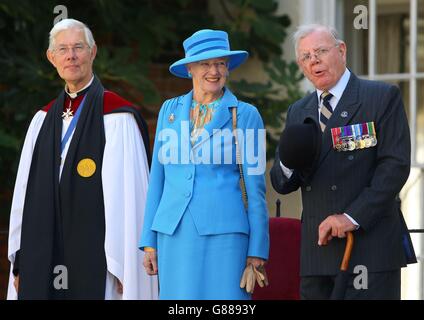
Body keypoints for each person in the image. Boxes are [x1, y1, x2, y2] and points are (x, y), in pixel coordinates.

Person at [7, 18, 158, 300]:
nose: (71, 56)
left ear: (93, 52)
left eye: (78, 47)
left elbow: (129, 201)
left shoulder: (117, 118)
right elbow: (24, 199)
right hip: (44, 255)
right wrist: (22, 261)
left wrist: (126, 267)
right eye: (62, 49)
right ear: (52, 58)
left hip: (98, 262)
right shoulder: (41, 120)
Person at [270, 24, 414, 299]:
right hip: (317, 253)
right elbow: (281, 182)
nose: (314, 61)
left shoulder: (380, 97)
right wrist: (288, 160)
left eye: (321, 51)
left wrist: (351, 217)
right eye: (305, 56)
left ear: (341, 51)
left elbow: (394, 167)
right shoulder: (298, 111)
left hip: (368, 249)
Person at [139, 29, 269, 299]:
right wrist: (149, 241)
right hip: (174, 234)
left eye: (221, 63)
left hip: (226, 237)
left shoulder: (246, 115)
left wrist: (257, 248)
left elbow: (256, 188)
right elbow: (158, 179)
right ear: (190, 69)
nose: (214, 70)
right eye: (205, 63)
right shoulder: (169, 110)